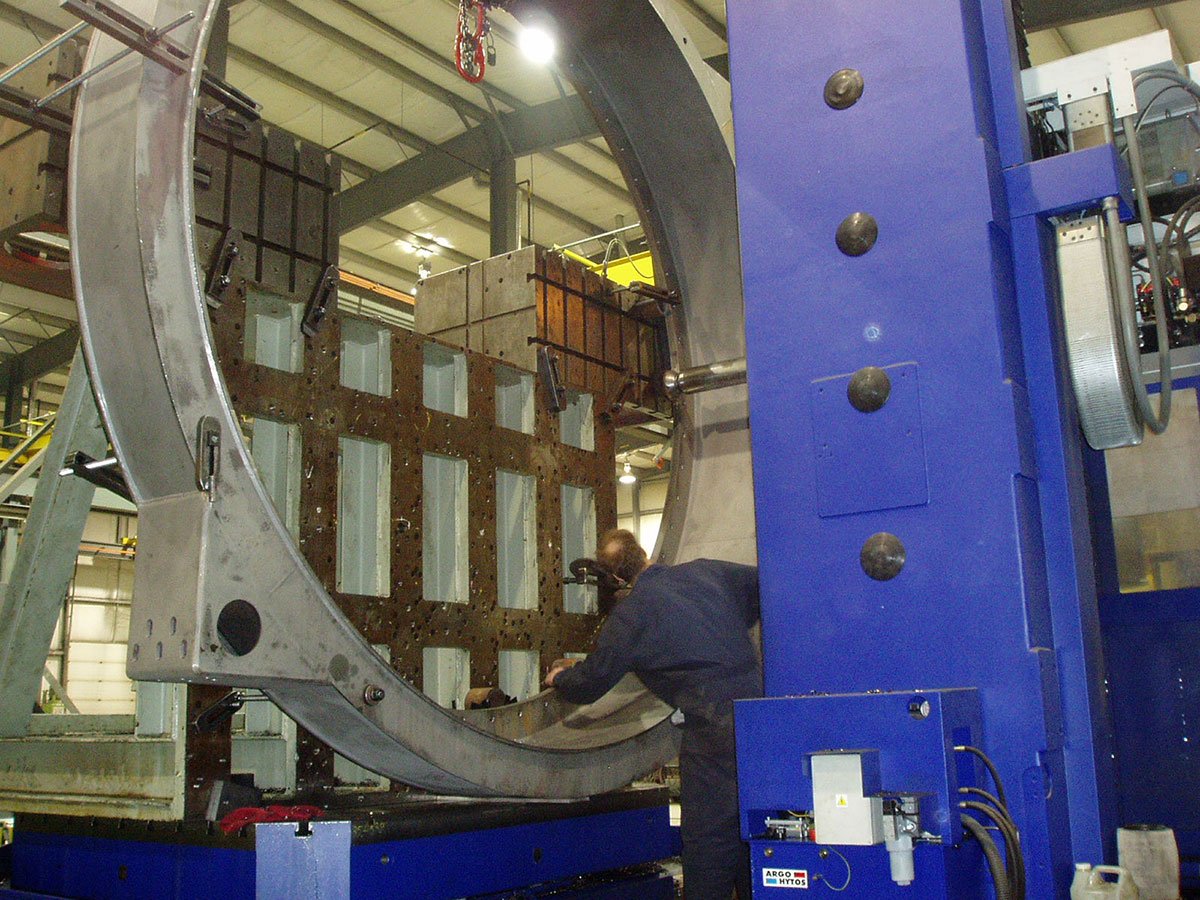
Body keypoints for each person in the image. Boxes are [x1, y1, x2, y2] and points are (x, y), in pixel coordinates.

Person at [546, 529, 761, 900]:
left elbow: (591, 683)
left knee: (708, 841)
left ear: (616, 579)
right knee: (754, 827)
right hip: (763, 717)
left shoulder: (632, 615)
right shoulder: (707, 571)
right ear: (643, 553)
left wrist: (560, 678)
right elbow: (764, 587)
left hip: (713, 729)